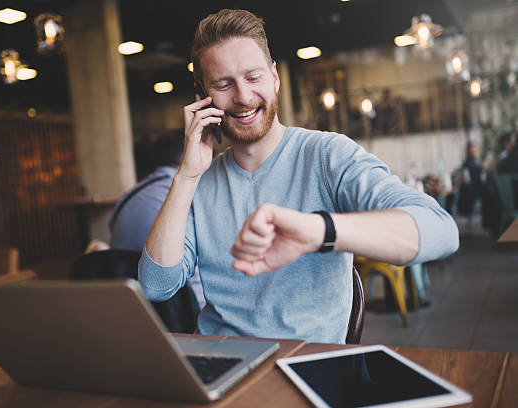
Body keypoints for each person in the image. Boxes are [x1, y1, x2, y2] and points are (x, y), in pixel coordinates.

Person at [139, 9, 458, 343]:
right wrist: (187, 176)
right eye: (223, 84)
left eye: (253, 77)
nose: (244, 97)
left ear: (274, 77)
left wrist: (318, 230)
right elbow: (157, 286)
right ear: (201, 95)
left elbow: (442, 230)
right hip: (222, 365)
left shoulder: (327, 155)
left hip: (307, 365)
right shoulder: (199, 179)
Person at [109, 130, 205, 309]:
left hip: (128, 309)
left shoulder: (129, 196)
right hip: (181, 314)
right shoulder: (188, 195)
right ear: (189, 153)